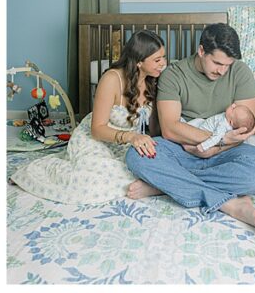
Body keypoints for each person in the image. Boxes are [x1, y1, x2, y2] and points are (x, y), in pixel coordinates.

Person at [125, 23, 255, 237]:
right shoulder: (173, 74)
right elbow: (170, 129)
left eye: (227, 65)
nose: (222, 71)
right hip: (182, 150)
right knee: (135, 156)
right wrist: (214, 140)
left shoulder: (241, 72)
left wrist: (216, 147)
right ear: (201, 51)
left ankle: (164, 185)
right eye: (217, 63)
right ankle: (230, 204)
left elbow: (243, 129)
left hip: (227, 151)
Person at [10, 31, 165, 204]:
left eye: (164, 58)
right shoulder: (112, 79)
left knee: (145, 166)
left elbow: (154, 125)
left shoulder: (154, 80)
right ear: (139, 61)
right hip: (98, 136)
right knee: (88, 178)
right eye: (157, 60)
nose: (163, 64)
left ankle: (151, 184)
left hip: (126, 142)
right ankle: (35, 173)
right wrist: (130, 137)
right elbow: (97, 129)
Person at [189, 103, 255, 153]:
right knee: (197, 121)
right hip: (203, 122)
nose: (233, 105)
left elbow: (216, 138)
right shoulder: (227, 117)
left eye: (233, 109)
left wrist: (203, 146)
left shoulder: (223, 125)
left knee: (192, 126)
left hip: (202, 130)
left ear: (231, 122)